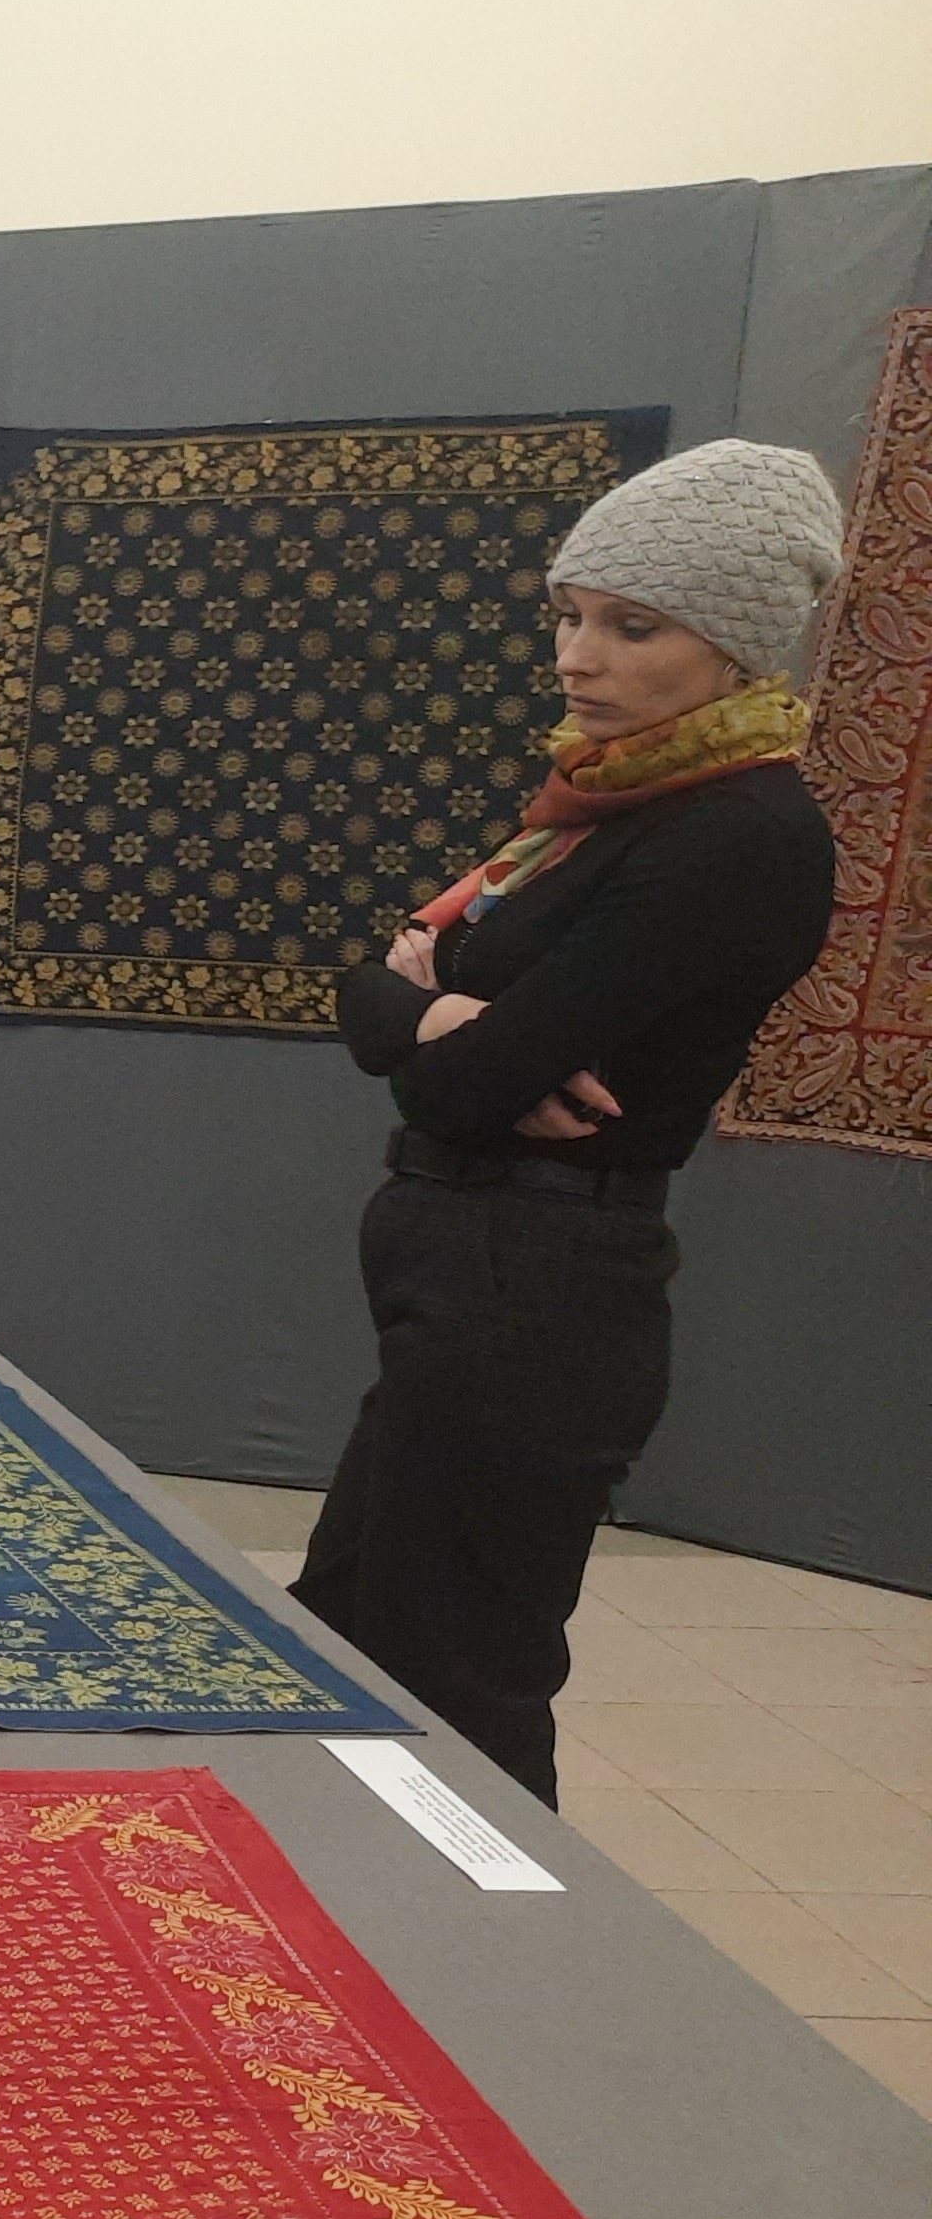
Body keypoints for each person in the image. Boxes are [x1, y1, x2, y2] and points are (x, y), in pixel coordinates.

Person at [295, 439, 847, 1806]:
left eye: (632, 627)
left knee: (456, 1686)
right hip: (470, 1273)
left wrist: (429, 1025)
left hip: (537, 1288)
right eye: (569, 616)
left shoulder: (736, 834)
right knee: (349, 1631)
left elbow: (449, 1082)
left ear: (736, 646)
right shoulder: (601, 806)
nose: (578, 657)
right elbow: (375, 991)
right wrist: (428, 1013)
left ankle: (495, 1932)